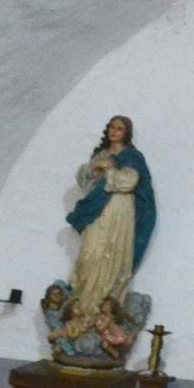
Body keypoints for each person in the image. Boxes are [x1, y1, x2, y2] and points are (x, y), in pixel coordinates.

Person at [65, 115, 156, 321]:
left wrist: (110, 169)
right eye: (112, 128)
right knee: (89, 254)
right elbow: (86, 183)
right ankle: (82, 307)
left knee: (112, 256)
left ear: (126, 133)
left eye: (120, 129)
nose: (115, 132)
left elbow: (129, 182)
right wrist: (92, 169)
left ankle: (103, 311)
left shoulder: (133, 157)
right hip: (97, 210)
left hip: (119, 209)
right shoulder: (101, 154)